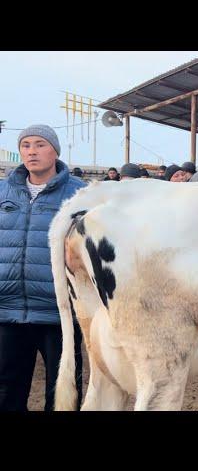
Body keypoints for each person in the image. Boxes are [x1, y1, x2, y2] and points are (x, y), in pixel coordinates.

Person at [0, 124, 85, 411]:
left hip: (58, 313)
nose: (32, 151)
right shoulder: (3, 192)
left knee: (63, 394)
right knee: (6, 391)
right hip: (7, 310)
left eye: (40, 144)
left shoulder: (80, 196)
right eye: (26, 145)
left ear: (55, 150)